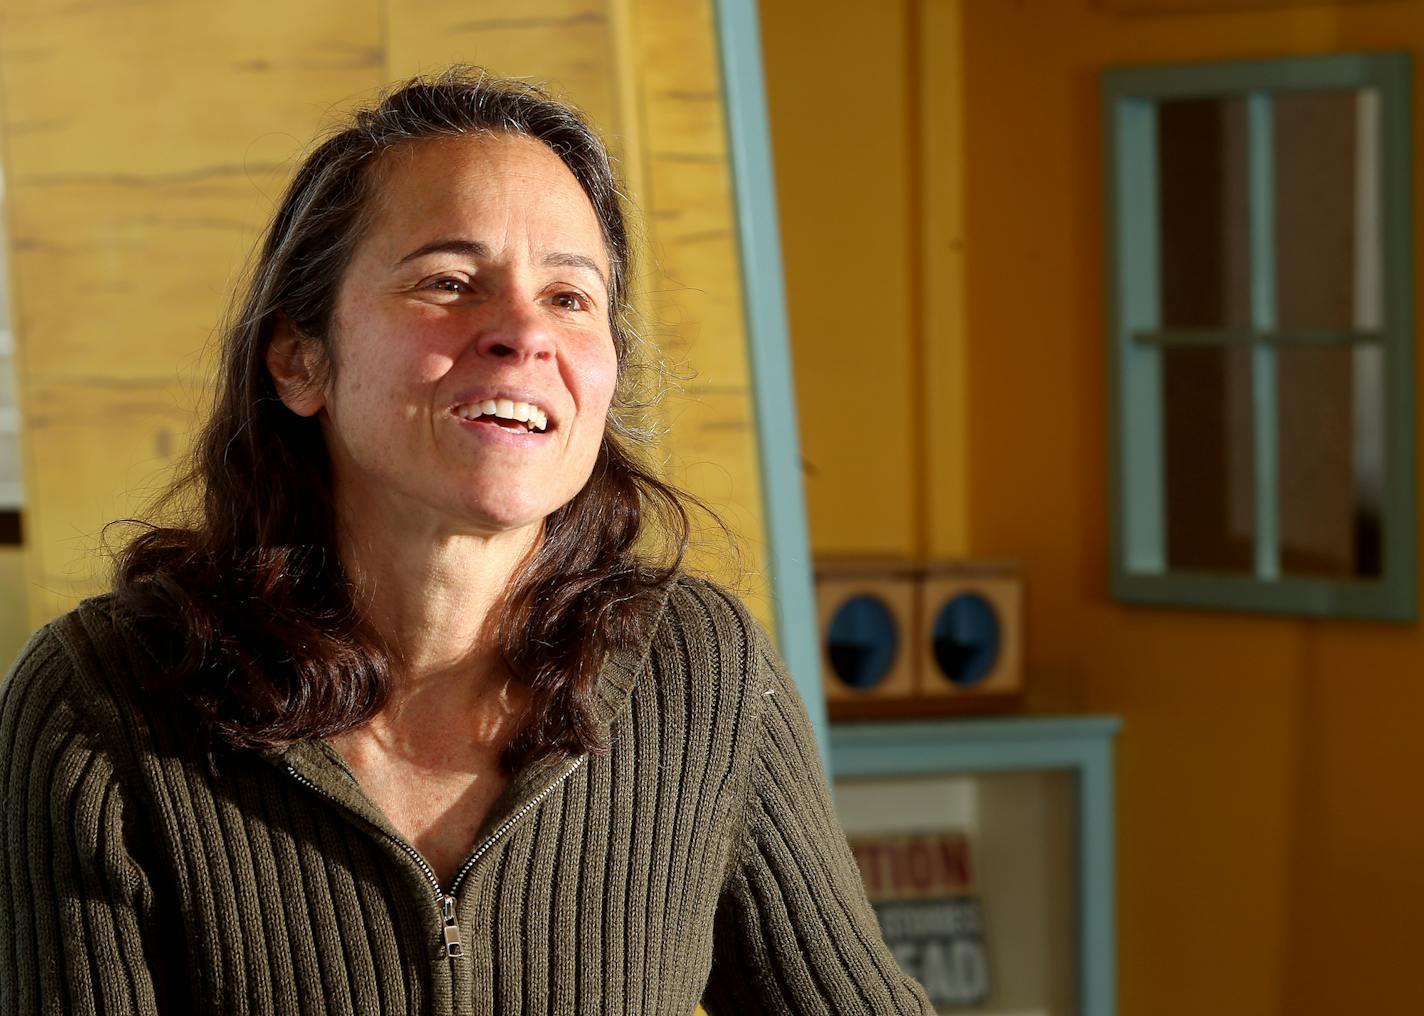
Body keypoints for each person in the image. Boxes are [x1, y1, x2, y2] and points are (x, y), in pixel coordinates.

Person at [0, 69, 933, 1015]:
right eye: (448, 282)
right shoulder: (103, 701)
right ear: (299, 359)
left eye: (571, 297)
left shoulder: (699, 671)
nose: (524, 333)